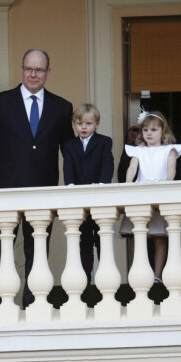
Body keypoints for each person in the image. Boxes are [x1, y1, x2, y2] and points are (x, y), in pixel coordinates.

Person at [0, 49, 74, 310]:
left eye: (39, 70)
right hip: (4, 190)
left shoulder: (62, 107)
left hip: (43, 190)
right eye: (29, 69)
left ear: (48, 73)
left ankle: (34, 303)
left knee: (38, 250)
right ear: (22, 70)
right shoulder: (0, 103)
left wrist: (76, 186)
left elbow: (70, 152)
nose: (33, 75)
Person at [119, 110, 181, 283]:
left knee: (159, 237)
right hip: (141, 195)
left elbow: (172, 168)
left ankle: (157, 275)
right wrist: (128, 182)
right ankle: (136, 274)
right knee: (137, 236)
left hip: (160, 194)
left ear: (163, 131)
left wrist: (167, 184)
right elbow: (132, 168)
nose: (149, 133)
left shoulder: (169, 150)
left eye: (153, 130)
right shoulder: (138, 150)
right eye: (145, 130)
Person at [63, 103, 114, 285]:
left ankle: (105, 281)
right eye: (79, 123)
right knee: (83, 242)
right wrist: (70, 185)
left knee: (102, 240)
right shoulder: (70, 145)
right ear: (74, 124)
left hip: (99, 200)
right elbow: (68, 167)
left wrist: (101, 185)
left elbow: (107, 165)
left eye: (88, 123)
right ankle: (85, 281)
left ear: (97, 124)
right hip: (80, 201)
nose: (83, 127)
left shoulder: (104, 142)